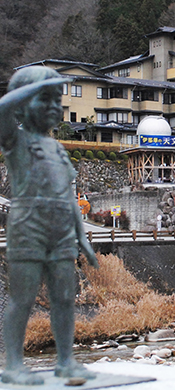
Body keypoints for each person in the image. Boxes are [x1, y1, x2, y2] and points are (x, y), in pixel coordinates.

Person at [0, 66, 99, 385]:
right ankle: (14, 364)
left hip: (61, 229)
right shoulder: (15, 140)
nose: (54, 107)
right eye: (45, 99)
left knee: (64, 296)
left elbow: (68, 196)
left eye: (58, 100)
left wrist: (82, 235)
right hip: (28, 223)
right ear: (24, 103)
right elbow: (2, 108)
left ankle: (66, 361)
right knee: (23, 296)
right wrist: (31, 88)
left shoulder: (57, 148)